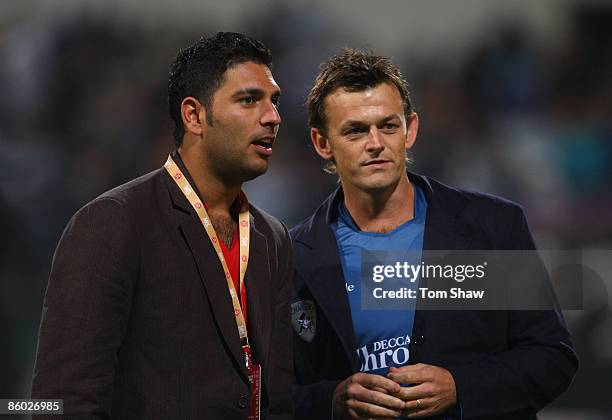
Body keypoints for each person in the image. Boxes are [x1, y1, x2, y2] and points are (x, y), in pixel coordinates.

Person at [290, 49, 578, 419]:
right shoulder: (294, 257)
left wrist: (461, 387)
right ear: (322, 143)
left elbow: (552, 357)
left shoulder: (493, 227)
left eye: (388, 126)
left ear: (410, 129)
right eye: (356, 130)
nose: (375, 142)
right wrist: (330, 401)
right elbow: (271, 396)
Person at [31, 32, 293, 419]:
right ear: (194, 115)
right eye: (249, 100)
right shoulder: (115, 222)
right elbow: (61, 400)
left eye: (274, 101)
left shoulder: (272, 238)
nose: (272, 116)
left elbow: (279, 398)